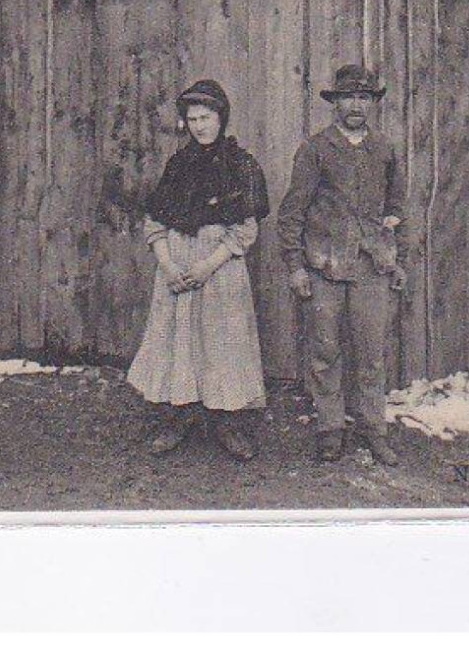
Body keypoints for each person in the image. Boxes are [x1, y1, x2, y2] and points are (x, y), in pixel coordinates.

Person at [126, 79, 271, 462]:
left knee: (222, 343)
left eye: (206, 117)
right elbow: (155, 222)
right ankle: (180, 416)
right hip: (177, 270)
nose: (200, 126)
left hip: (219, 267)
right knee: (179, 341)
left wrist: (207, 266)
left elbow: (246, 229)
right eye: (192, 119)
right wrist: (169, 265)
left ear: (221, 118)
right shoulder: (178, 164)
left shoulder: (241, 165)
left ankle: (225, 422)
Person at [277, 64, 406, 465]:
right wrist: (297, 266)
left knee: (371, 355)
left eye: (364, 98)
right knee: (325, 352)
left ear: (372, 104)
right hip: (325, 268)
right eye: (348, 97)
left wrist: (395, 257)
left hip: (370, 270)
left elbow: (397, 209)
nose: (356, 106)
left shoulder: (384, 150)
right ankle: (330, 429)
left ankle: (374, 430)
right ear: (335, 104)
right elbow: (291, 213)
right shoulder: (316, 150)